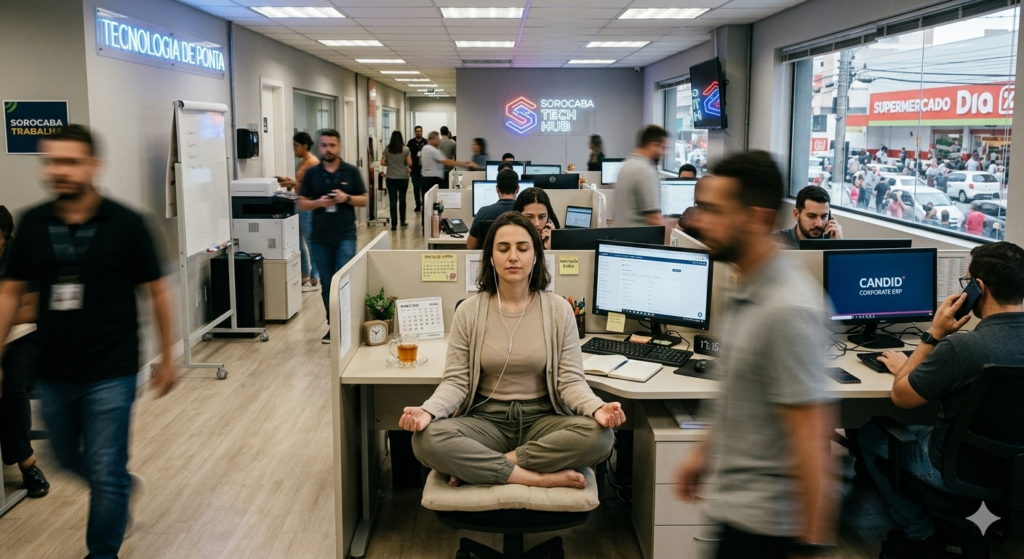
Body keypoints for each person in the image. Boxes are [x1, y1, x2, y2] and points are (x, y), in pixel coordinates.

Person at [0, 125, 178, 559]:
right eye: (54, 161)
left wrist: (169, 358)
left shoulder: (127, 224)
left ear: (93, 166)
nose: (61, 170)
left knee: (102, 465)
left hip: (112, 371)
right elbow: (9, 291)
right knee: (63, 458)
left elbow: (156, 290)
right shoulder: (33, 224)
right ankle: (118, 485)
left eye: (71, 162)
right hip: (55, 368)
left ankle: (102, 552)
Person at [675, 151, 837, 559]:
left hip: (768, 529)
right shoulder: (744, 285)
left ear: (757, 218)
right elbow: (739, 389)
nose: (700, 221)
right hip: (734, 508)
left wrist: (811, 545)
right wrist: (702, 453)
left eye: (715, 211)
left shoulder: (789, 309)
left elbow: (812, 438)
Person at [399, 211, 623, 489]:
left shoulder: (558, 310)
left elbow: (570, 381)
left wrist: (596, 408)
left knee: (600, 437)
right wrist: (428, 411)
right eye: (503, 249)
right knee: (426, 440)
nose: (513, 256)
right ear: (491, 257)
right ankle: (539, 479)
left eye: (523, 248)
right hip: (485, 419)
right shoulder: (469, 311)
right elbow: (456, 381)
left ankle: (493, 465)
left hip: (543, 419)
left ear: (536, 256)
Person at [858, 242, 1024, 553]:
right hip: (1018, 472)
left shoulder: (963, 348)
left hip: (957, 471)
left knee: (869, 435)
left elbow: (902, 397)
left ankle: (919, 534)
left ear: (978, 288)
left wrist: (932, 335)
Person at [297, 129, 368, 343]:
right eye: (324, 145)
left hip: (345, 236)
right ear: (319, 147)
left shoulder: (351, 172)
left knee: (343, 280)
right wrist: (319, 202)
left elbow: (364, 200)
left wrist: (345, 197)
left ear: (339, 147)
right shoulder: (312, 173)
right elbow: (302, 202)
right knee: (327, 284)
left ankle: (347, 324)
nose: (328, 149)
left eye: (332, 145)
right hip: (319, 238)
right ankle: (334, 325)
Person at [0, 205, 49, 499]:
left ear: (6, 237)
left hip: (25, 340)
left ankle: (27, 463)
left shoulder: (23, 258)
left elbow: (28, 310)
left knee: (9, 383)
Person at [276, 132, 321, 291]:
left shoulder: (313, 162)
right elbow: (300, 183)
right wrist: (288, 180)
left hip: (308, 206)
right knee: (298, 241)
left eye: (296, 146)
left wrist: (290, 182)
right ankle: (304, 274)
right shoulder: (303, 162)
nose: (294, 149)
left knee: (311, 242)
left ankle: (315, 278)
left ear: (305, 146)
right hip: (299, 203)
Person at [613, 125, 669, 228]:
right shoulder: (646, 170)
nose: (665, 153)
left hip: (622, 237)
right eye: (663, 148)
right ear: (653, 145)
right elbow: (654, 220)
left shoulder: (626, 165)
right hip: (637, 240)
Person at [775, 185, 844, 249]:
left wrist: (840, 245)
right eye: (811, 216)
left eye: (823, 216)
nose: (819, 224)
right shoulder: (778, 242)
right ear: (796, 214)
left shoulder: (832, 243)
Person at [467, 169, 519, 250]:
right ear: (518, 189)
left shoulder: (483, 212)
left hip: (488, 260)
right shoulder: (524, 213)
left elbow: (470, 246)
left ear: (497, 189)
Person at [381, 130, 412, 231]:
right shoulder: (406, 149)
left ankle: (394, 224)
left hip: (391, 177)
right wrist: (404, 165)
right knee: (402, 200)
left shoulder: (387, 150)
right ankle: (402, 221)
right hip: (403, 177)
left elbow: (382, 162)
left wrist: (391, 163)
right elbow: (410, 163)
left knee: (392, 201)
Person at [407, 126, 428, 212]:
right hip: (414, 169)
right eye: (417, 131)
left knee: (424, 188)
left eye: (420, 131)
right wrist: (408, 167)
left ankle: (424, 204)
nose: (419, 132)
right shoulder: (411, 142)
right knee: (416, 188)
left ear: (422, 132)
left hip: (424, 169)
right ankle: (418, 205)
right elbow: (407, 155)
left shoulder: (426, 142)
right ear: (414, 132)